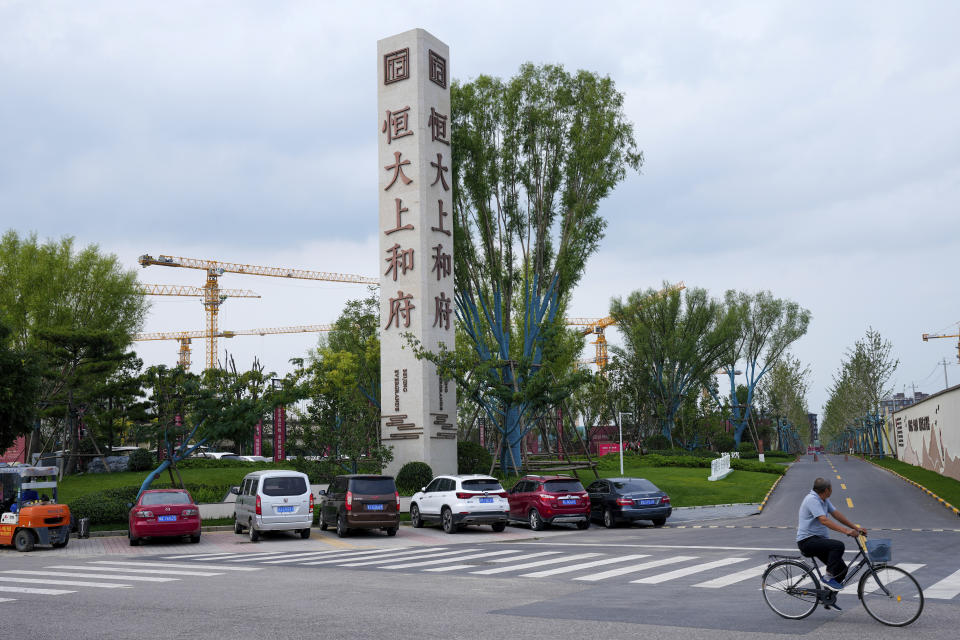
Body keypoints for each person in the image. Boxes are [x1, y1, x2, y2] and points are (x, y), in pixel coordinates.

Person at [796, 477, 867, 591]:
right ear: (826, 490)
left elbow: (836, 514)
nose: (832, 490)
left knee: (841, 570)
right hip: (807, 541)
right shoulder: (812, 500)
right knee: (838, 545)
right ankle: (828, 578)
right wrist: (847, 531)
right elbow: (824, 520)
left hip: (818, 540)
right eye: (831, 488)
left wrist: (855, 528)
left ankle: (827, 597)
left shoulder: (823, 499)